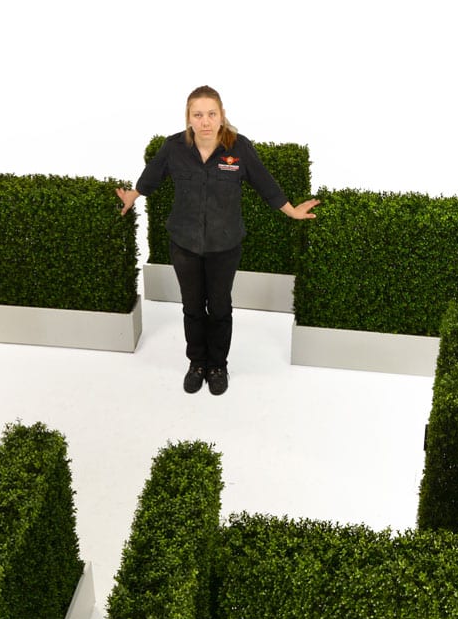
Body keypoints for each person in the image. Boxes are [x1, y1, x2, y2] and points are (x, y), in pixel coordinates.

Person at [116, 85, 319, 395]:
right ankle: (197, 364)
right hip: (184, 245)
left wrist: (292, 211)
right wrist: (133, 195)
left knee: (220, 307)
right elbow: (151, 177)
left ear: (222, 115)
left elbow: (266, 184)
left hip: (225, 246)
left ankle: (218, 366)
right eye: (198, 115)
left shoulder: (239, 148)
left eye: (211, 114)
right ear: (188, 118)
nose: (205, 121)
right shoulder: (174, 148)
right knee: (193, 307)